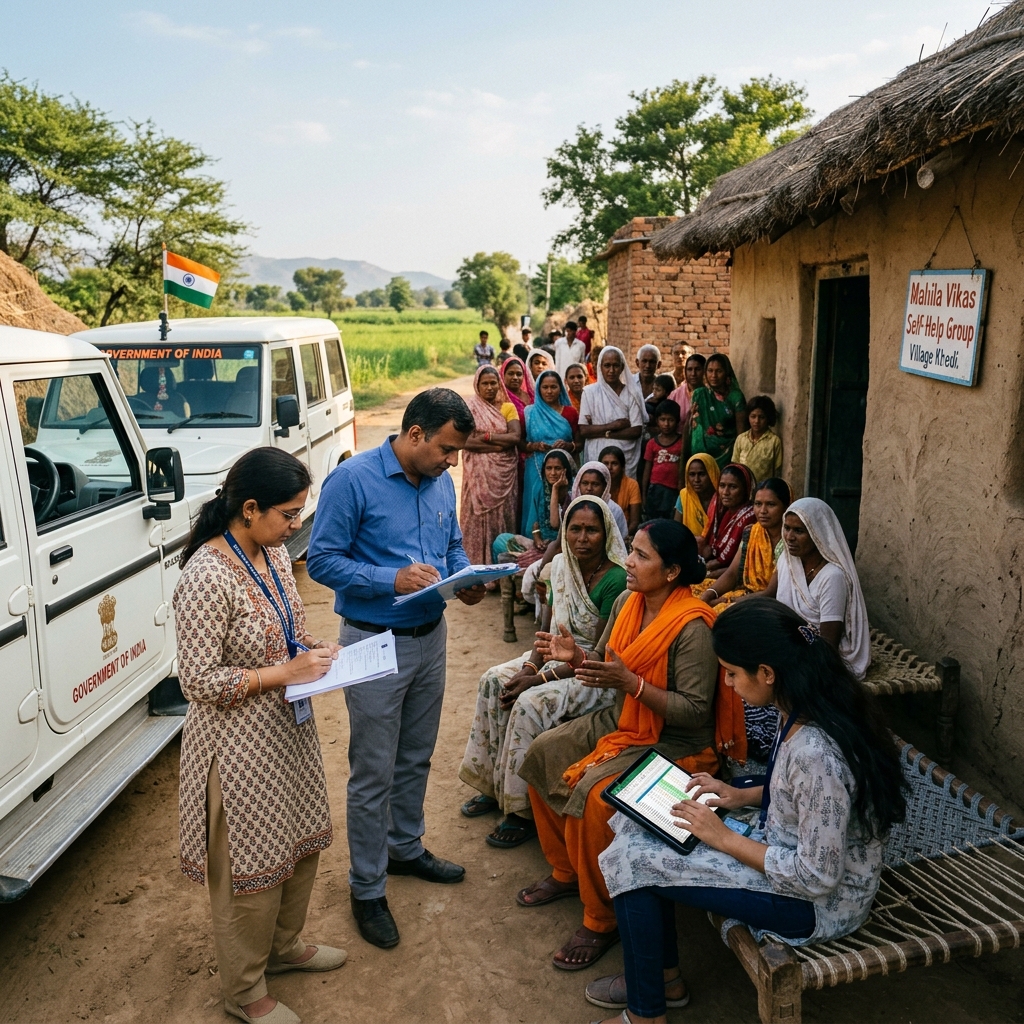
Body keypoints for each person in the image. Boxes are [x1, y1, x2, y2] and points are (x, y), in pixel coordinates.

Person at [588, 599, 908, 1023]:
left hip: (817, 905)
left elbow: (817, 876)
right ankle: (662, 981)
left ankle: (647, 1012)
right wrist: (738, 795)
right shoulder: (802, 705)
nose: (728, 682)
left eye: (733, 672)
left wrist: (723, 838)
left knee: (633, 863)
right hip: (782, 853)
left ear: (767, 673)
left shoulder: (816, 750)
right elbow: (805, 798)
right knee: (635, 826)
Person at [306, 389, 487, 951]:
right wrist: (390, 579)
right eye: (446, 450)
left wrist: (466, 578)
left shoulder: (440, 483)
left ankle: (404, 848)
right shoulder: (353, 481)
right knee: (372, 769)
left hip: (431, 639)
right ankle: (366, 886)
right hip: (374, 642)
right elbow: (321, 560)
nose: (451, 462)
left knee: (416, 755)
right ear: (414, 434)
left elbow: (452, 546)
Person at [174, 447, 347, 1024]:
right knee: (247, 869)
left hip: (285, 733)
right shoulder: (205, 575)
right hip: (237, 747)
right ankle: (244, 990)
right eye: (289, 514)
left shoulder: (270, 554)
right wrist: (285, 673)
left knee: (298, 845)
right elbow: (196, 680)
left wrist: (312, 652)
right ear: (249, 508)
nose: (297, 526)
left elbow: (285, 629)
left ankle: (284, 946)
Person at [516, 522, 723, 971]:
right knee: (543, 752)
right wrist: (576, 658)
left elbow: (693, 712)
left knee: (593, 795)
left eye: (641, 556)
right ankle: (568, 872)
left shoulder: (693, 628)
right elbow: (607, 665)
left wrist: (633, 682)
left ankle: (601, 917)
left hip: (678, 743)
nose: (627, 561)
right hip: (624, 721)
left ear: (671, 572)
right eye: (630, 551)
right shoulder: (630, 602)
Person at [460, 497, 628, 847]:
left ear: (606, 533)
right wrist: (526, 667)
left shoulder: (615, 580)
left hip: (588, 671)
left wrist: (536, 680)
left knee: (530, 702)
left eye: (591, 530)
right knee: (493, 681)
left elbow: (595, 655)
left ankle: (520, 811)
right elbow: (547, 634)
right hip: (553, 658)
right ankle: (494, 785)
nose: (582, 538)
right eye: (575, 529)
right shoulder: (560, 568)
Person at [701, 477, 791, 761]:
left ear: (785, 507)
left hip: (770, 604)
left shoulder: (790, 540)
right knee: (696, 601)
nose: (763, 511)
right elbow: (731, 572)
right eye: (758, 504)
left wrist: (733, 602)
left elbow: (771, 591)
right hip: (748, 595)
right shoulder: (752, 532)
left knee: (718, 617)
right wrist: (711, 593)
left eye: (771, 505)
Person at [773, 497, 871, 680]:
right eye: (787, 528)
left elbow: (828, 644)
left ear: (817, 534)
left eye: (799, 531)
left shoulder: (832, 577)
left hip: (817, 656)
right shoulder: (787, 563)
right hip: (791, 645)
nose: (789, 537)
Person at [460, 366, 522, 567]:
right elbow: (466, 442)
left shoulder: (508, 407)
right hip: (477, 477)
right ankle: (476, 568)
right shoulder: (469, 409)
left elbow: (514, 437)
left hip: (504, 476)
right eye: (484, 383)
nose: (489, 387)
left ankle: (501, 570)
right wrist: (499, 444)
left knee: (503, 519)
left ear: (499, 384)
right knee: (475, 521)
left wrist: (486, 437)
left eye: (493, 383)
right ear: (477, 385)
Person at [492, 449, 577, 566]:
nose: (552, 473)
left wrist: (555, 490)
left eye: (557, 468)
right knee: (500, 541)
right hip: (541, 544)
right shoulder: (539, 487)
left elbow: (555, 524)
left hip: (562, 548)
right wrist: (537, 538)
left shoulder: (573, 493)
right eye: (549, 468)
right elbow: (534, 523)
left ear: (565, 470)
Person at [521, 369, 580, 534]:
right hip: (536, 468)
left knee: (563, 501)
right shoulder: (530, 412)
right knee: (535, 503)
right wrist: (534, 446)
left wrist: (569, 446)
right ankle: (534, 541)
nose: (549, 391)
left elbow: (580, 442)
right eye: (545, 387)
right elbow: (520, 442)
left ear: (560, 388)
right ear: (538, 389)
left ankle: (560, 539)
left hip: (562, 468)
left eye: (553, 387)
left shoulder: (570, 413)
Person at [579, 346, 647, 471]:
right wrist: (612, 425)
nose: (611, 370)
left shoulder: (632, 393)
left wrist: (604, 433)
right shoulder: (589, 392)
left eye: (615, 365)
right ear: (600, 367)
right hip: (596, 454)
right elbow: (584, 430)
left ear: (622, 367)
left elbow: (636, 430)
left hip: (625, 458)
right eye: (607, 365)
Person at [695, 462, 756, 579]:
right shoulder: (724, 511)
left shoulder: (749, 517)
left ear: (745, 489)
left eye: (733, 487)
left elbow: (734, 565)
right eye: (722, 486)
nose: (725, 492)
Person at [689, 353, 747, 469]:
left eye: (718, 371)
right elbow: (691, 426)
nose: (713, 375)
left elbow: (741, 434)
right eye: (710, 371)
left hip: (726, 457)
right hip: (700, 458)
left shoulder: (736, 397)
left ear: (726, 373)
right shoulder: (699, 395)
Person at [640, 400, 683, 521]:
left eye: (670, 420)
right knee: (653, 521)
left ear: (677, 421)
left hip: (673, 491)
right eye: (663, 419)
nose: (666, 424)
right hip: (655, 491)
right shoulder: (652, 443)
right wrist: (644, 495)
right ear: (657, 421)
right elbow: (647, 471)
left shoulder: (682, 443)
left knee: (670, 520)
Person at [572, 461, 630, 544]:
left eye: (595, 484)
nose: (589, 488)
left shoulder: (614, 510)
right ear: (578, 485)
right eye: (585, 483)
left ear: (605, 487)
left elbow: (621, 540)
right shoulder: (573, 507)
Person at [732, 395, 783, 484]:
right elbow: (735, 466)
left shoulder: (774, 441)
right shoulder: (741, 439)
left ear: (768, 418)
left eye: (761, 417)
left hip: (763, 488)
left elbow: (777, 471)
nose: (756, 421)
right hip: (743, 487)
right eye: (753, 416)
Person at [599, 445, 642, 539]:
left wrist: (620, 538)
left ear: (622, 467)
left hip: (624, 534)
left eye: (614, 463)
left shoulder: (632, 484)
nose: (609, 467)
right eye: (606, 463)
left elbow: (634, 521)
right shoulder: (596, 484)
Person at [673, 453, 719, 537]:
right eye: (692, 474)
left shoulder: (723, 498)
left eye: (701, 474)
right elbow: (676, 530)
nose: (696, 480)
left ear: (712, 474)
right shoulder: (684, 496)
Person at [668, 352, 706, 433]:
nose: (693, 374)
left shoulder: (711, 395)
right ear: (685, 371)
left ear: (704, 371)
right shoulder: (675, 395)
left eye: (698, 369)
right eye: (689, 369)